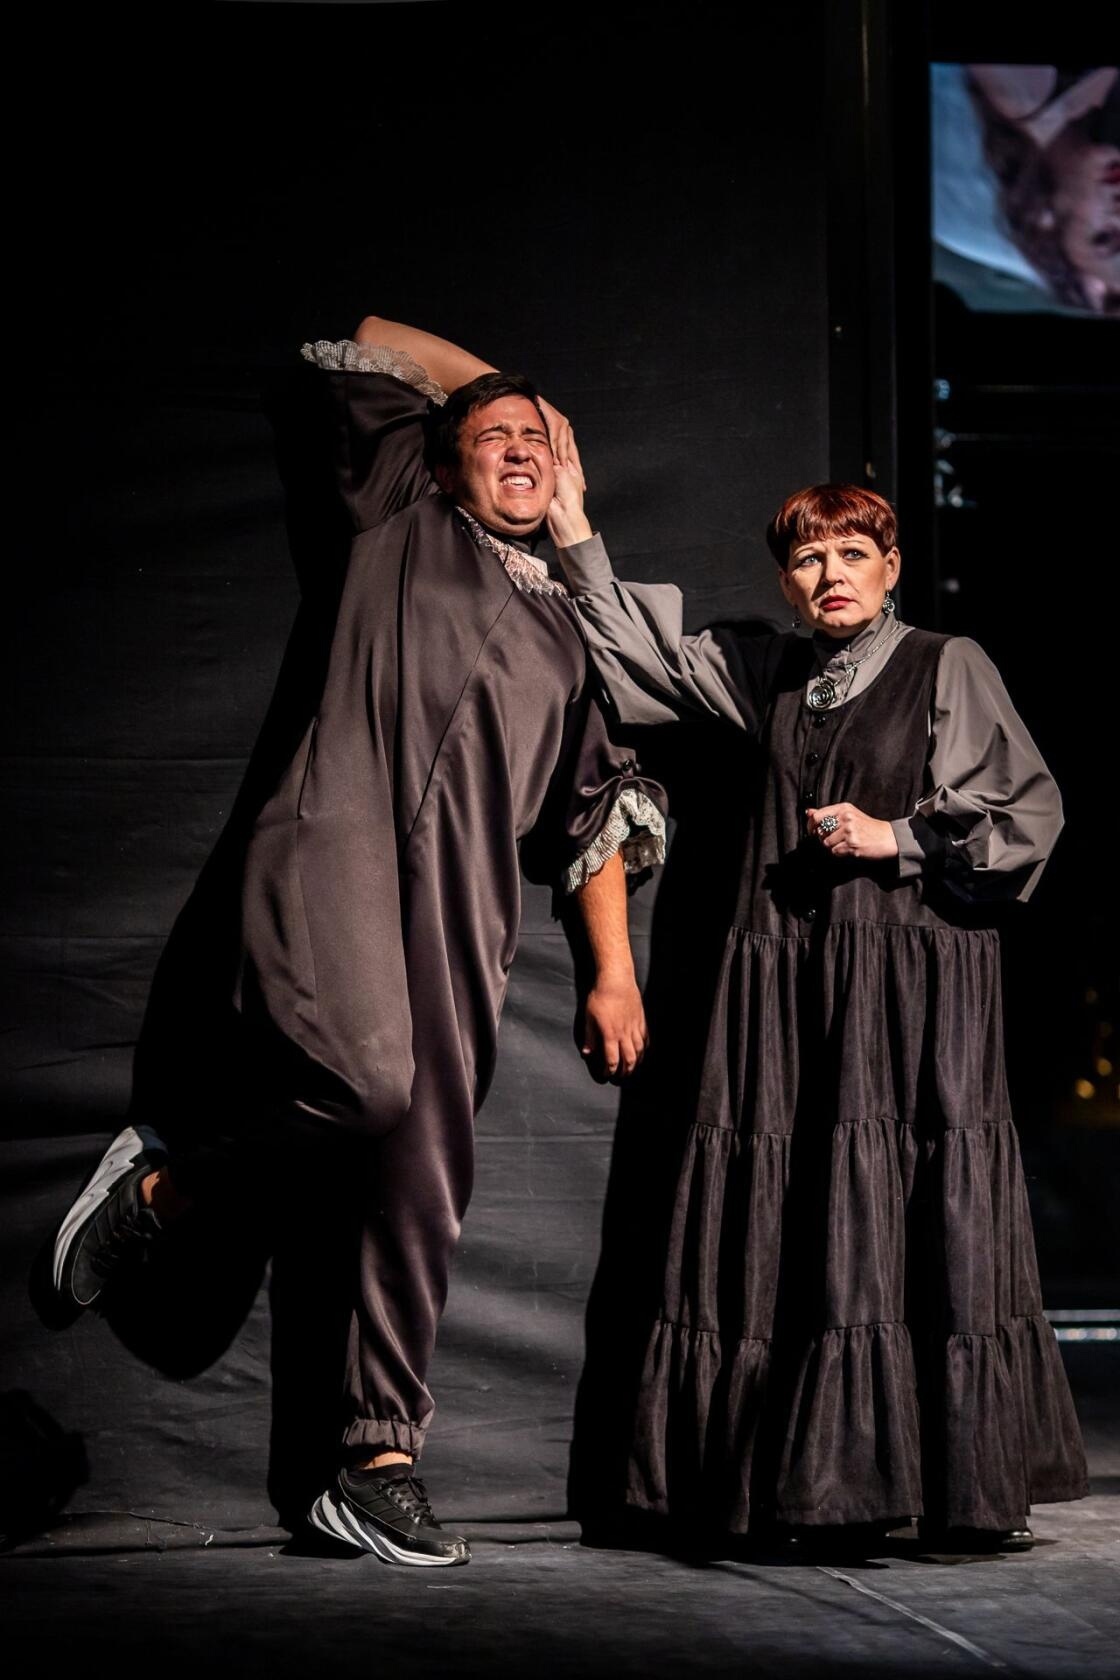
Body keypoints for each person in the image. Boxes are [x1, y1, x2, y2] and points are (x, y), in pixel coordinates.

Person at [48, 317, 666, 1568]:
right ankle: (162, 1188)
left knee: (421, 1182)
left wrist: (613, 970)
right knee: (366, 1083)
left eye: (538, 444)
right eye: (495, 438)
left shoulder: (575, 631)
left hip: (464, 915)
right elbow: (377, 339)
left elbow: (597, 812)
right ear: (443, 460)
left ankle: (374, 1465)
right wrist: (520, 397)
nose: (520, 451)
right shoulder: (402, 516)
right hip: (336, 841)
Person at [550, 480, 1088, 1552]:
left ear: (891, 568)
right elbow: (639, 657)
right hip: (791, 983)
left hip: (910, 985)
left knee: (907, 1203)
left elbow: (1029, 811)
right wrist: (571, 529)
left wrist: (900, 837)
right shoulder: (770, 671)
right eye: (808, 559)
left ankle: (936, 1485)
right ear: (786, 583)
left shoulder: (946, 661)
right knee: (802, 1214)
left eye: (852, 553)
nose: (830, 574)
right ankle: (808, 1485)